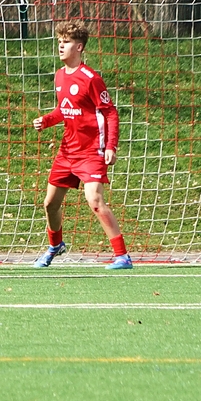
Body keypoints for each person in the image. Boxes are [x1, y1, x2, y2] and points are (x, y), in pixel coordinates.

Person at [31, 20, 130, 270]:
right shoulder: (59, 76)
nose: (60, 46)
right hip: (67, 151)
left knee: (94, 199)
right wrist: (46, 120)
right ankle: (55, 246)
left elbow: (110, 113)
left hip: (91, 151)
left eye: (65, 42)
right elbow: (64, 110)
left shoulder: (91, 79)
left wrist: (111, 146)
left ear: (79, 47)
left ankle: (122, 256)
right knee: (50, 204)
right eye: (59, 42)